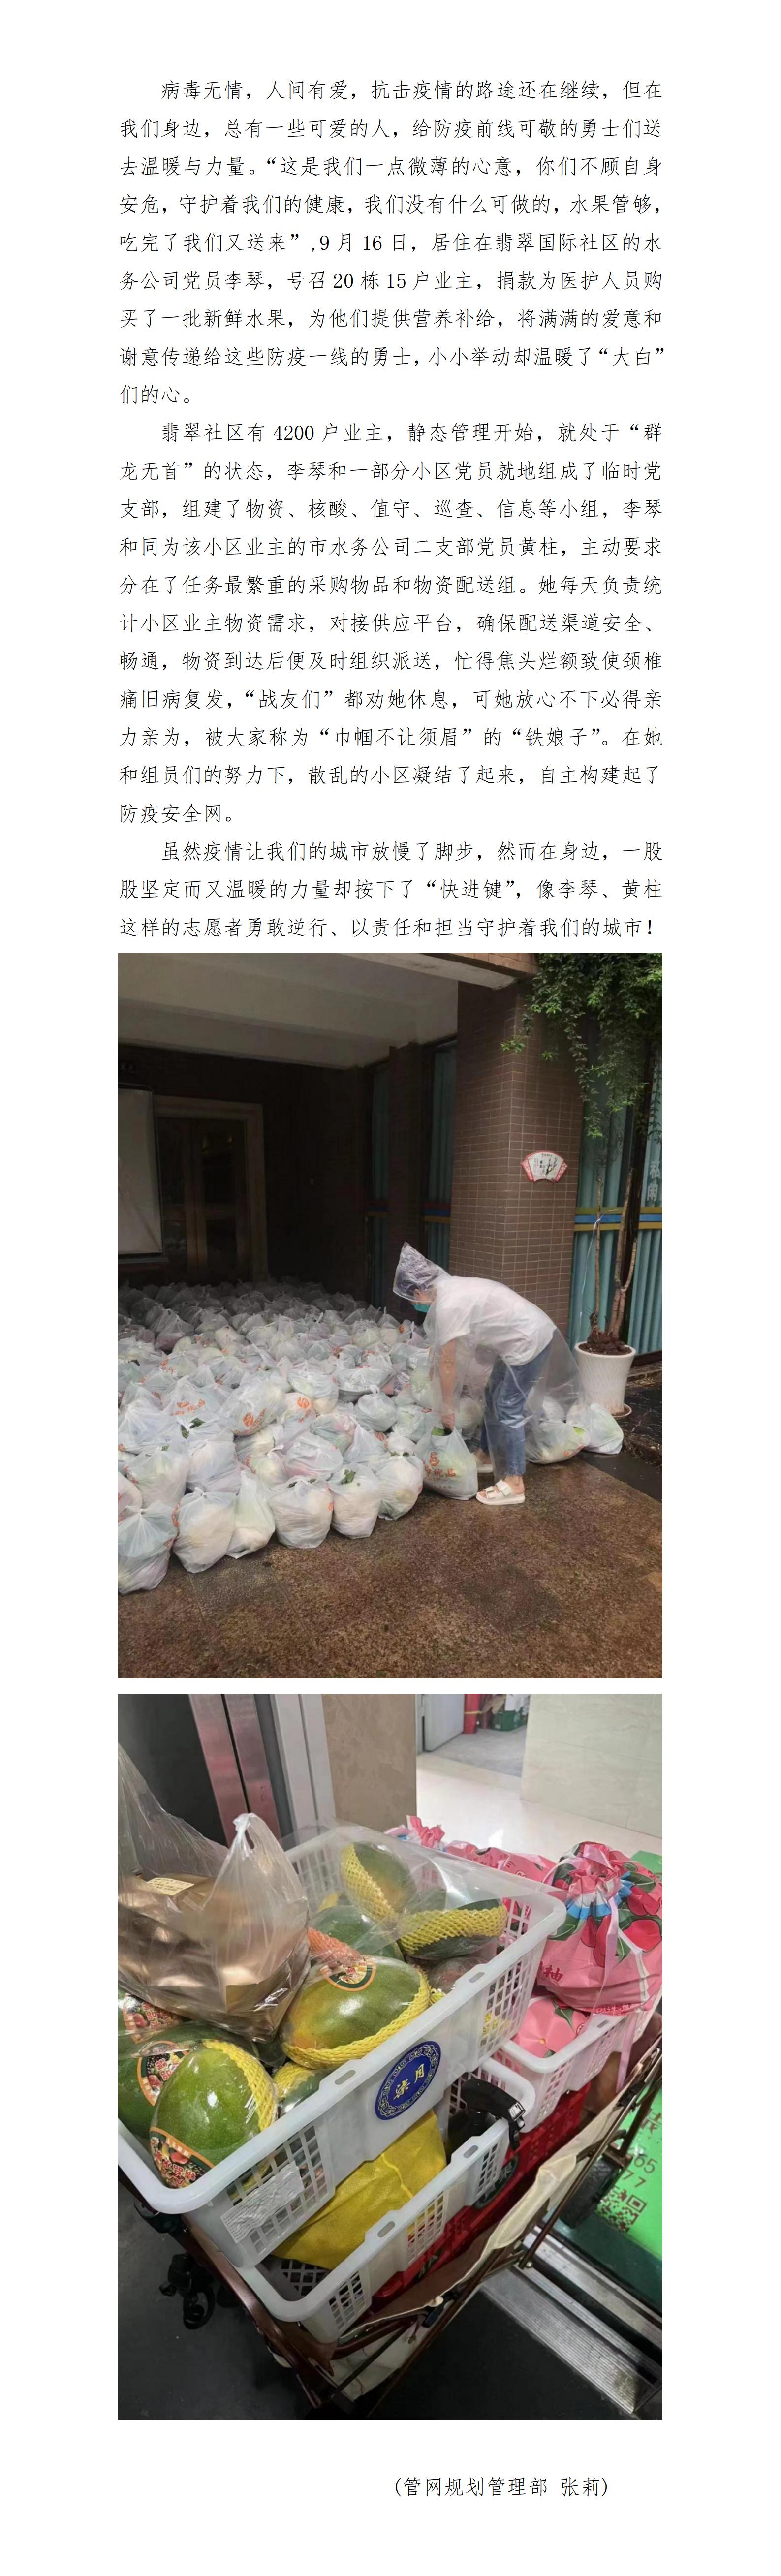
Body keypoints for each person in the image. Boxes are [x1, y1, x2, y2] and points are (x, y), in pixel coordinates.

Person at [393, 1244, 557, 1508]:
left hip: (528, 1341)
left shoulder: (448, 1305)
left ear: (419, 1291)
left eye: (413, 1301)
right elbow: (445, 1352)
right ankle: (486, 1454)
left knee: (509, 1408)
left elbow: (449, 1362)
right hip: (517, 1339)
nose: (416, 1306)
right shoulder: (449, 1288)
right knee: (492, 1395)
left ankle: (515, 1483)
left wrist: (448, 1408)